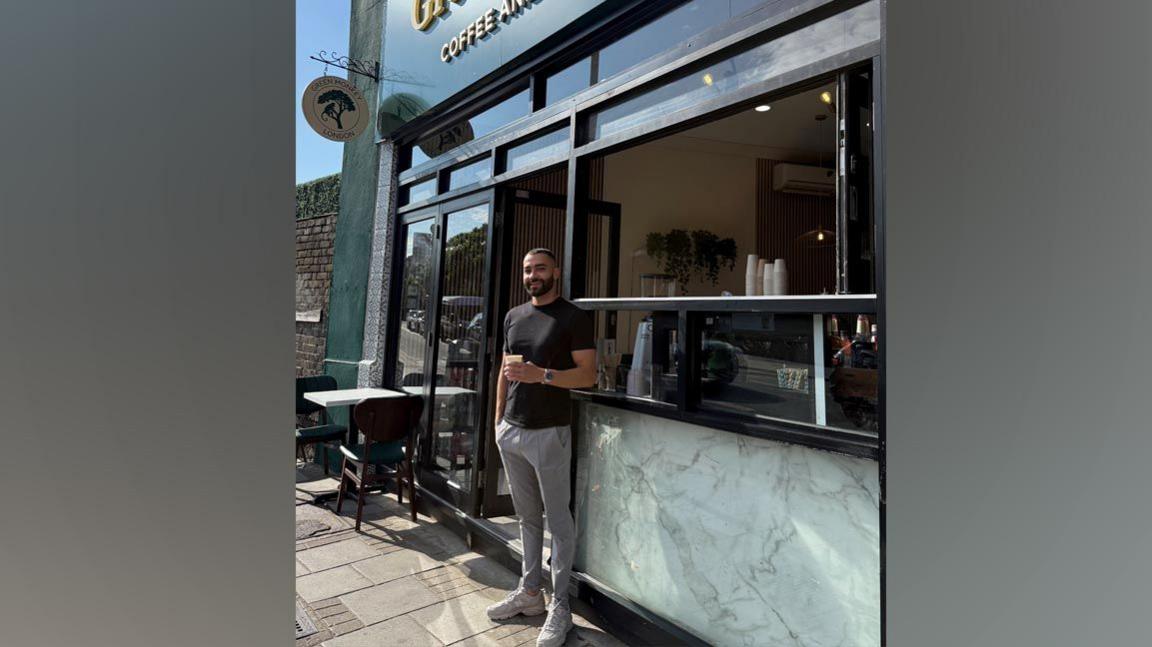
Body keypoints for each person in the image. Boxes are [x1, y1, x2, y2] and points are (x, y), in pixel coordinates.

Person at [484, 248, 597, 647]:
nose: (533, 275)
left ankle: (560, 606)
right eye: (528, 269)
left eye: (541, 269)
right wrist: (498, 419)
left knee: (558, 521)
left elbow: (588, 375)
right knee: (527, 518)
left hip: (550, 432)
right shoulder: (514, 316)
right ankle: (531, 592)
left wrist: (543, 375)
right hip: (512, 431)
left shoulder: (573, 317)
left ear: (556, 273)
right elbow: (504, 370)